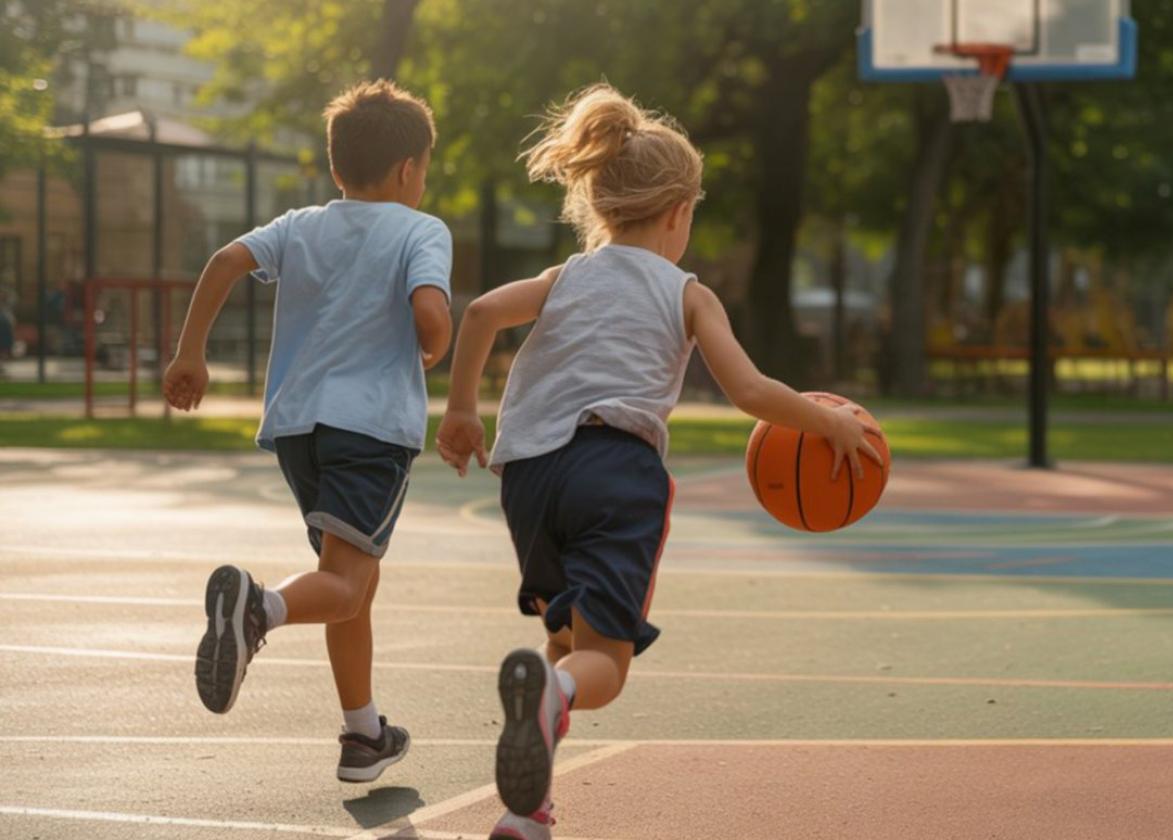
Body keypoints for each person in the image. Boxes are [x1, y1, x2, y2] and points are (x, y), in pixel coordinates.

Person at [434, 83, 882, 840]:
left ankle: (527, 810)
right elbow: (750, 389)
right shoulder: (687, 292)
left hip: (528, 474)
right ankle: (550, 695)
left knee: (564, 635)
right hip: (616, 471)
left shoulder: (565, 277)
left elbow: (477, 314)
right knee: (601, 666)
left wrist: (459, 410)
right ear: (679, 212)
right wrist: (825, 419)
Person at [161, 80, 453, 784]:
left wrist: (190, 351)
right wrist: (435, 342)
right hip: (372, 427)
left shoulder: (300, 224)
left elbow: (227, 259)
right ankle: (258, 608)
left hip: (298, 428)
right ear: (410, 169)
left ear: (336, 167)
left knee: (351, 580)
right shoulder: (422, 230)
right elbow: (430, 314)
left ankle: (364, 733)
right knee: (345, 585)